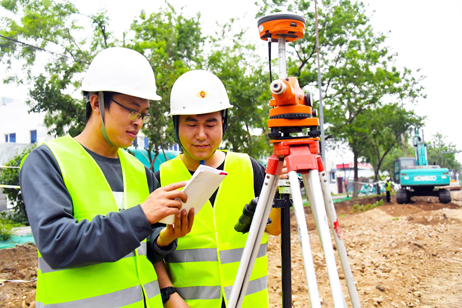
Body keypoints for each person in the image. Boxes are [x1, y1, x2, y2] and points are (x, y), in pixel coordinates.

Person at [19, 47, 194, 308]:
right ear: (96, 103)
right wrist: (142, 216)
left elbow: (145, 249)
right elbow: (57, 243)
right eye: (131, 109)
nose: (139, 122)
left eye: (144, 113)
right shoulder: (48, 161)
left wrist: (166, 236)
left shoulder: (139, 170)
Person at [153, 70, 281, 308]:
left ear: (224, 122)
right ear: (176, 126)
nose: (201, 135)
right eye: (191, 124)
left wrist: (282, 188)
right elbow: (151, 248)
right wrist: (169, 294)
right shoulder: (161, 178)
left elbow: (275, 229)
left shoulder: (249, 168)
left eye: (210, 123)